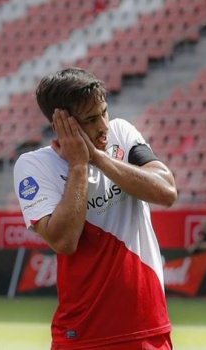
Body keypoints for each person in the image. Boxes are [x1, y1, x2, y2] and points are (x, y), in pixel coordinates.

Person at [12, 68, 177, 349]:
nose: (103, 126)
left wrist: (98, 159)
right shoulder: (33, 166)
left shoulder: (122, 135)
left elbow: (166, 191)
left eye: (104, 112)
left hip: (146, 327)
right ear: (62, 125)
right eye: (91, 119)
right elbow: (64, 241)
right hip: (82, 334)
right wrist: (78, 164)